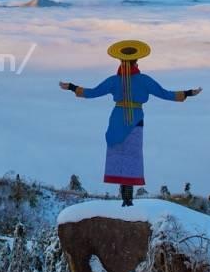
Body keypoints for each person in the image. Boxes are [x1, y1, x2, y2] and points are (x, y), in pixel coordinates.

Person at [59, 40, 201, 206]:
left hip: (117, 119)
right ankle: (128, 199)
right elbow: (165, 94)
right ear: (137, 61)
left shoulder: (114, 80)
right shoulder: (144, 80)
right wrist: (189, 93)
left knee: (120, 158)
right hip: (135, 118)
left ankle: (124, 199)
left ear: (120, 60)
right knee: (132, 159)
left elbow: (92, 92)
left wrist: (71, 87)